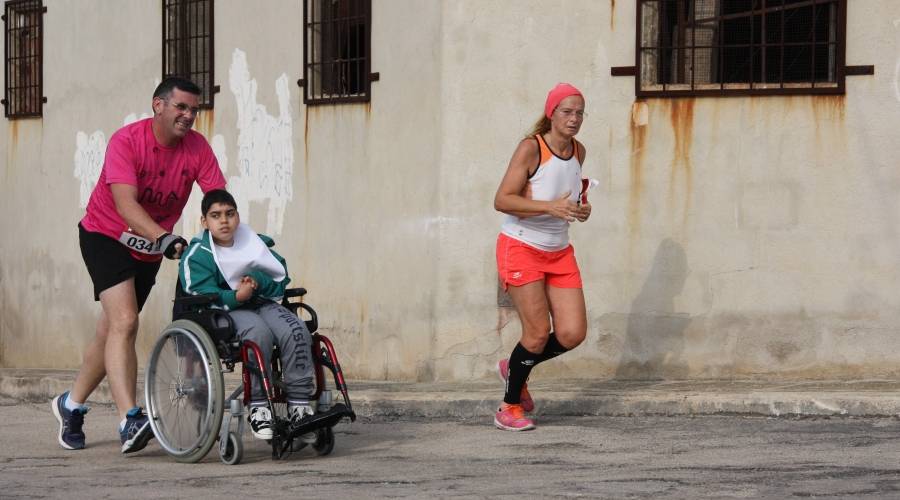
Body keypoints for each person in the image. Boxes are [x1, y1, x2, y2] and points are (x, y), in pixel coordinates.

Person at [52, 77, 226, 453]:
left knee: (112, 330)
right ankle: (130, 418)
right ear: (158, 105)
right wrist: (164, 236)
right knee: (126, 321)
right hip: (106, 235)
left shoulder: (197, 148)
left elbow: (217, 198)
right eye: (181, 107)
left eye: (194, 110)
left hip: (149, 248)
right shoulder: (127, 141)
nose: (188, 115)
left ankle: (71, 404)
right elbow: (125, 204)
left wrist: (229, 241)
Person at [492, 83, 592, 431]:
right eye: (567, 111)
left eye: (580, 113)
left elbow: (571, 196)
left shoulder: (578, 151)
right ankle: (509, 407)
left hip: (559, 252)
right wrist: (549, 207)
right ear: (551, 113)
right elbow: (502, 200)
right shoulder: (531, 148)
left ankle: (515, 367)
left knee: (572, 333)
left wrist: (582, 209)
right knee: (536, 334)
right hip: (521, 247)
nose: (574, 118)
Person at [180, 189, 315, 439]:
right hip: (223, 311)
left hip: (261, 302)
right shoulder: (198, 255)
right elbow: (198, 292)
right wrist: (236, 296)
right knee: (258, 333)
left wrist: (257, 280)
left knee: (296, 328)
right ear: (204, 221)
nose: (224, 221)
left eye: (229, 214)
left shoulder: (254, 243)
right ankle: (259, 405)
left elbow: (279, 279)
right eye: (216, 215)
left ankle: (299, 404)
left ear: (238, 217)